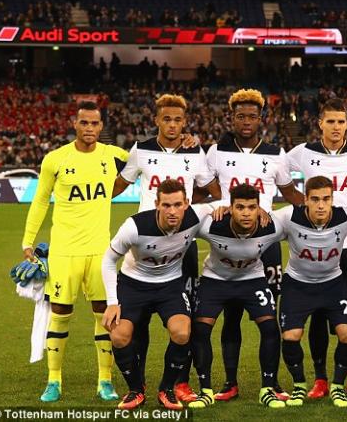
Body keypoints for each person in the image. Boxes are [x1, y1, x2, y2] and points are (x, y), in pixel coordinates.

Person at [112, 93, 220, 403]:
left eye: (177, 120)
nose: (172, 125)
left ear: (184, 122)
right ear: (156, 120)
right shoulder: (141, 150)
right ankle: (139, 383)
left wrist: (187, 207)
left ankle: (176, 384)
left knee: (183, 321)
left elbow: (212, 190)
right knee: (139, 322)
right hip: (145, 241)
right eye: (166, 119)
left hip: (180, 244)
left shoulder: (194, 151)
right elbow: (119, 185)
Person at [21, 101, 128, 402]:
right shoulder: (56, 159)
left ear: (101, 126)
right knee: (60, 313)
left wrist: (183, 142)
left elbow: (146, 155)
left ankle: (104, 380)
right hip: (64, 251)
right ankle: (54, 380)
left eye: (95, 124)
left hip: (99, 253)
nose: (90, 129)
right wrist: (28, 241)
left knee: (103, 315)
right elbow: (41, 200)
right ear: (75, 124)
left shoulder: (112, 155)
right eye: (84, 123)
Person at [205, 88, 304, 401]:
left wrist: (326, 211)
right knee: (231, 316)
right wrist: (219, 205)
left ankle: (270, 383)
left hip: (266, 243)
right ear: (231, 118)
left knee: (268, 318)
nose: (246, 121)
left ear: (262, 119)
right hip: (227, 241)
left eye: (252, 116)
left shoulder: (276, 153)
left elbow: (291, 195)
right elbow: (208, 193)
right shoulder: (216, 151)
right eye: (240, 116)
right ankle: (230, 383)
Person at [286, 97, 347, 399]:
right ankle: (321, 379)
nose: (336, 127)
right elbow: (279, 173)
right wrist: (300, 205)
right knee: (317, 314)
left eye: (341, 121)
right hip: (318, 240)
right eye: (331, 121)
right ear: (320, 123)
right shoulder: (303, 153)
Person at [101, 180, 215, 410]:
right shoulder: (134, 226)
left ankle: (167, 389)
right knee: (119, 336)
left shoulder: (196, 215)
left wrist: (224, 208)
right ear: (157, 204)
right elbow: (108, 260)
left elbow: (221, 205)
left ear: (187, 204)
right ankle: (135, 390)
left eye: (177, 204)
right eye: (166, 205)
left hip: (170, 286)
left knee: (182, 332)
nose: (172, 211)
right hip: (133, 285)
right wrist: (112, 303)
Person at [271, 176, 347, 407]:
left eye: (326, 199)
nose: (321, 205)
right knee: (291, 336)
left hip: (333, 283)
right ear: (305, 200)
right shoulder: (288, 216)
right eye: (315, 199)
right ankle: (299, 386)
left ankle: (336, 386)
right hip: (297, 284)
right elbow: (261, 222)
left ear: (333, 200)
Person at [190, 184, 286, 409]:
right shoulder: (212, 225)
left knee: (270, 328)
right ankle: (206, 391)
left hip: (251, 280)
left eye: (251, 207)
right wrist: (213, 206)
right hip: (215, 280)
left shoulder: (271, 226)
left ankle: (267, 389)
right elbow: (188, 212)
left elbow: (300, 220)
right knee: (201, 329)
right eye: (240, 207)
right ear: (230, 207)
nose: (246, 212)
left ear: (258, 208)